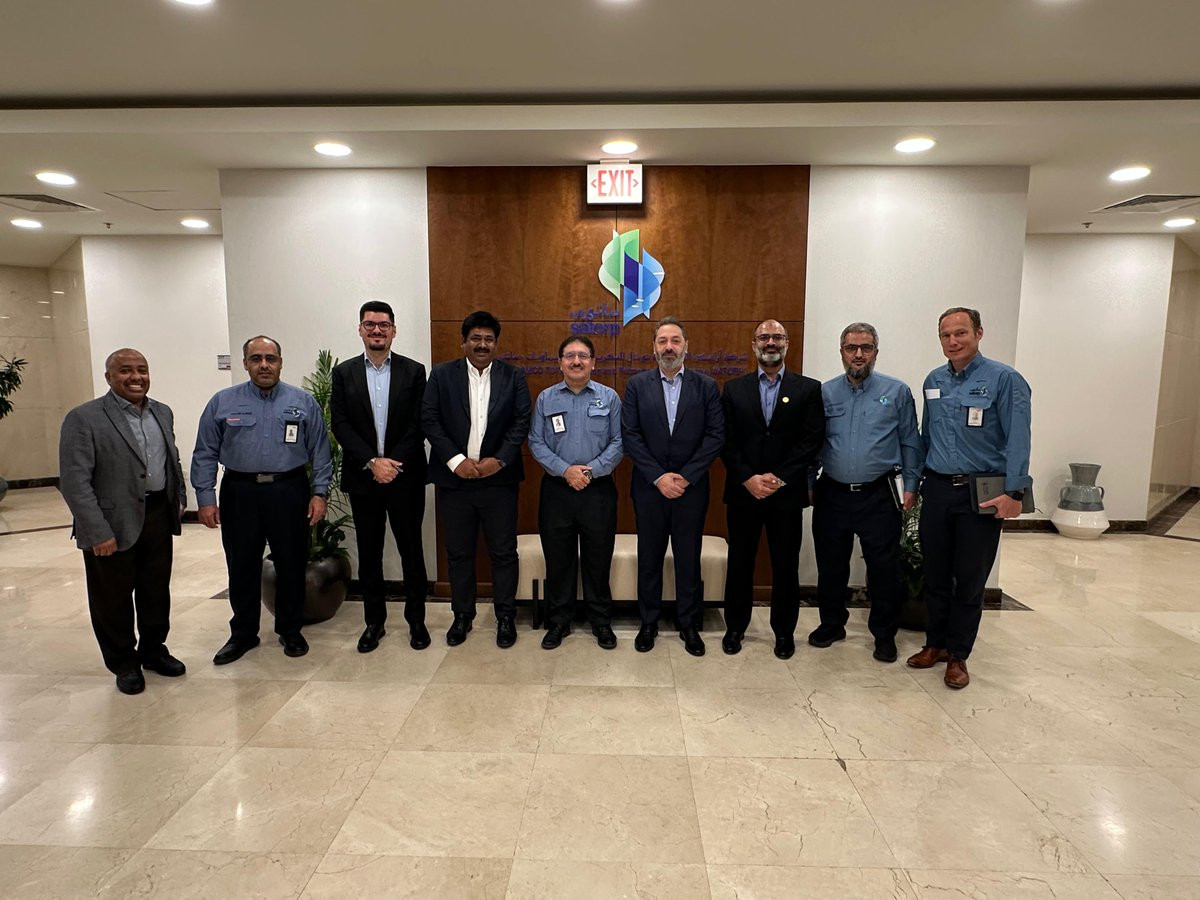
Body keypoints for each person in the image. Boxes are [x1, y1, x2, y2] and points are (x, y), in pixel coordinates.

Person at [908, 307, 1031, 689]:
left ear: (978, 333)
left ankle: (958, 655)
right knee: (935, 573)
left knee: (970, 578)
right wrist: (915, 483)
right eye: (945, 335)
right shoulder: (933, 380)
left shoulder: (1005, 379)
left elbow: (1019, 439)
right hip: (938, 487)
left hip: (982, 491)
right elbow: (926, 436)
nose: (953, 341)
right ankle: (935, 643)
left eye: (960, 333)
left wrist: (1015, 492)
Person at [192, 336, 331, 664]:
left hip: (289, 490)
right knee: (241, 564)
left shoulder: (302, 402)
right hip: (240, 492)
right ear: (245, 363)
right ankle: (243, 633)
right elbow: (205, 451)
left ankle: (290, 629)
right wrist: (205, 498)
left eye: (271, 358)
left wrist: (319, 493)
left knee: (291, 562)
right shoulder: (223, 402)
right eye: (256, 359)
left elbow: (320, 451)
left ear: (281, 362)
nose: (264, 365)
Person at [58, 349, 187, 694]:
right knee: (112, 598)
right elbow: (74, 481)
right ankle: (124, 663)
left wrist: (178, 499)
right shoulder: (84, 418)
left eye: (142, 370)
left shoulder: (162, 412)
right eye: (125, 370)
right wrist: (97, 531)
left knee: (155, 590)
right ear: (109, 377)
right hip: (110, 521)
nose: (136, 377)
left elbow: (170, 459)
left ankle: (154, 651)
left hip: (157, 515)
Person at [810, 322, 923, 663]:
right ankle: (832, 624)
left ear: (876, 352)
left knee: (884, 569)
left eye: (866, 347)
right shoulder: (825, 393)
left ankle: (884, 635)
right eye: (851, 348)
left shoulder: (897, 392)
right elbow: (813, 442)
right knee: (831, 565)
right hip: (832, 492)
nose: (858, 354)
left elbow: (910, 441)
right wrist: (809, 482)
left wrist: (912, 486)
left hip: (879, 493)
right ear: (841, 352)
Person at [421, 310, 530, 648]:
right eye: (476, 338)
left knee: (504, 553)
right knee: (459, 554)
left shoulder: (514, 376)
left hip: (499, 482)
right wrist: (456, 461)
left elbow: (521, 421)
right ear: (464, 342)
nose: (482, 345)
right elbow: (429, 419)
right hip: (455, 481)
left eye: (489, 339)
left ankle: (505, 617)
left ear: (496, 344)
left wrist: (499, 460)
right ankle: (462, 616)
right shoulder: (442, 375)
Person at [719, 319, 824, 660]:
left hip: (786, 495)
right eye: (764, 337)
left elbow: (810, 441)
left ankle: (783, 633)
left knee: (785, 566)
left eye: (777, 337)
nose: (770, 342)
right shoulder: (734, 389)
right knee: (740, 563)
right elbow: (727, 441)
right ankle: (736, 627)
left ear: (787, 343)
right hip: (744, 493)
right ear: (754, 344)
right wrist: (748, 478)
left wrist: (778, 478)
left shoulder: (808, 389)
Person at [330, 301, 430, 654]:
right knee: (370, 554)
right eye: (370, 324)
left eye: (383, 325)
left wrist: (392, 463)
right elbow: (340, 424)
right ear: (360, 329)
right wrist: (372, 462)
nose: (377, 330)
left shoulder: (414, 371)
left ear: (393, 330)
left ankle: (416, 621)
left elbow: (420, 422)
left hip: (405, 477)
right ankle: (374, 622)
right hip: (364, 478)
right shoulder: (343, 373)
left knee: (411, 551)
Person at [622, 315, 724, 656]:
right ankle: (648, 622)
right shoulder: (637, 385)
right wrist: (659, 477)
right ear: (653, 348)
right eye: (663, 341)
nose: (669, 347)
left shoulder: (706, 386)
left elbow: (715, 436)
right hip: (649, 489)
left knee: (688, 558)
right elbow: (631, 436)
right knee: (649, 558)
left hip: (690, 490)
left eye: (675, 341)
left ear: (686, 347)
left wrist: (686, 476)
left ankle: (689, 624)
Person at [528, 336, 623, 650]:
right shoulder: (546, 398)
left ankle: (601, 621)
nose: (577, 361)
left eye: (583, 356)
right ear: (560, 363)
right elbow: (536, 442)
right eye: (570, 356)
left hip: (598, 491)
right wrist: (565, 471)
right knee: (559, 560)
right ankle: (559, 621)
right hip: (557, 490)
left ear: (593, 362)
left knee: (598, 559)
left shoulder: (609, 398)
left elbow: (619, 442)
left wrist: (589, 471)